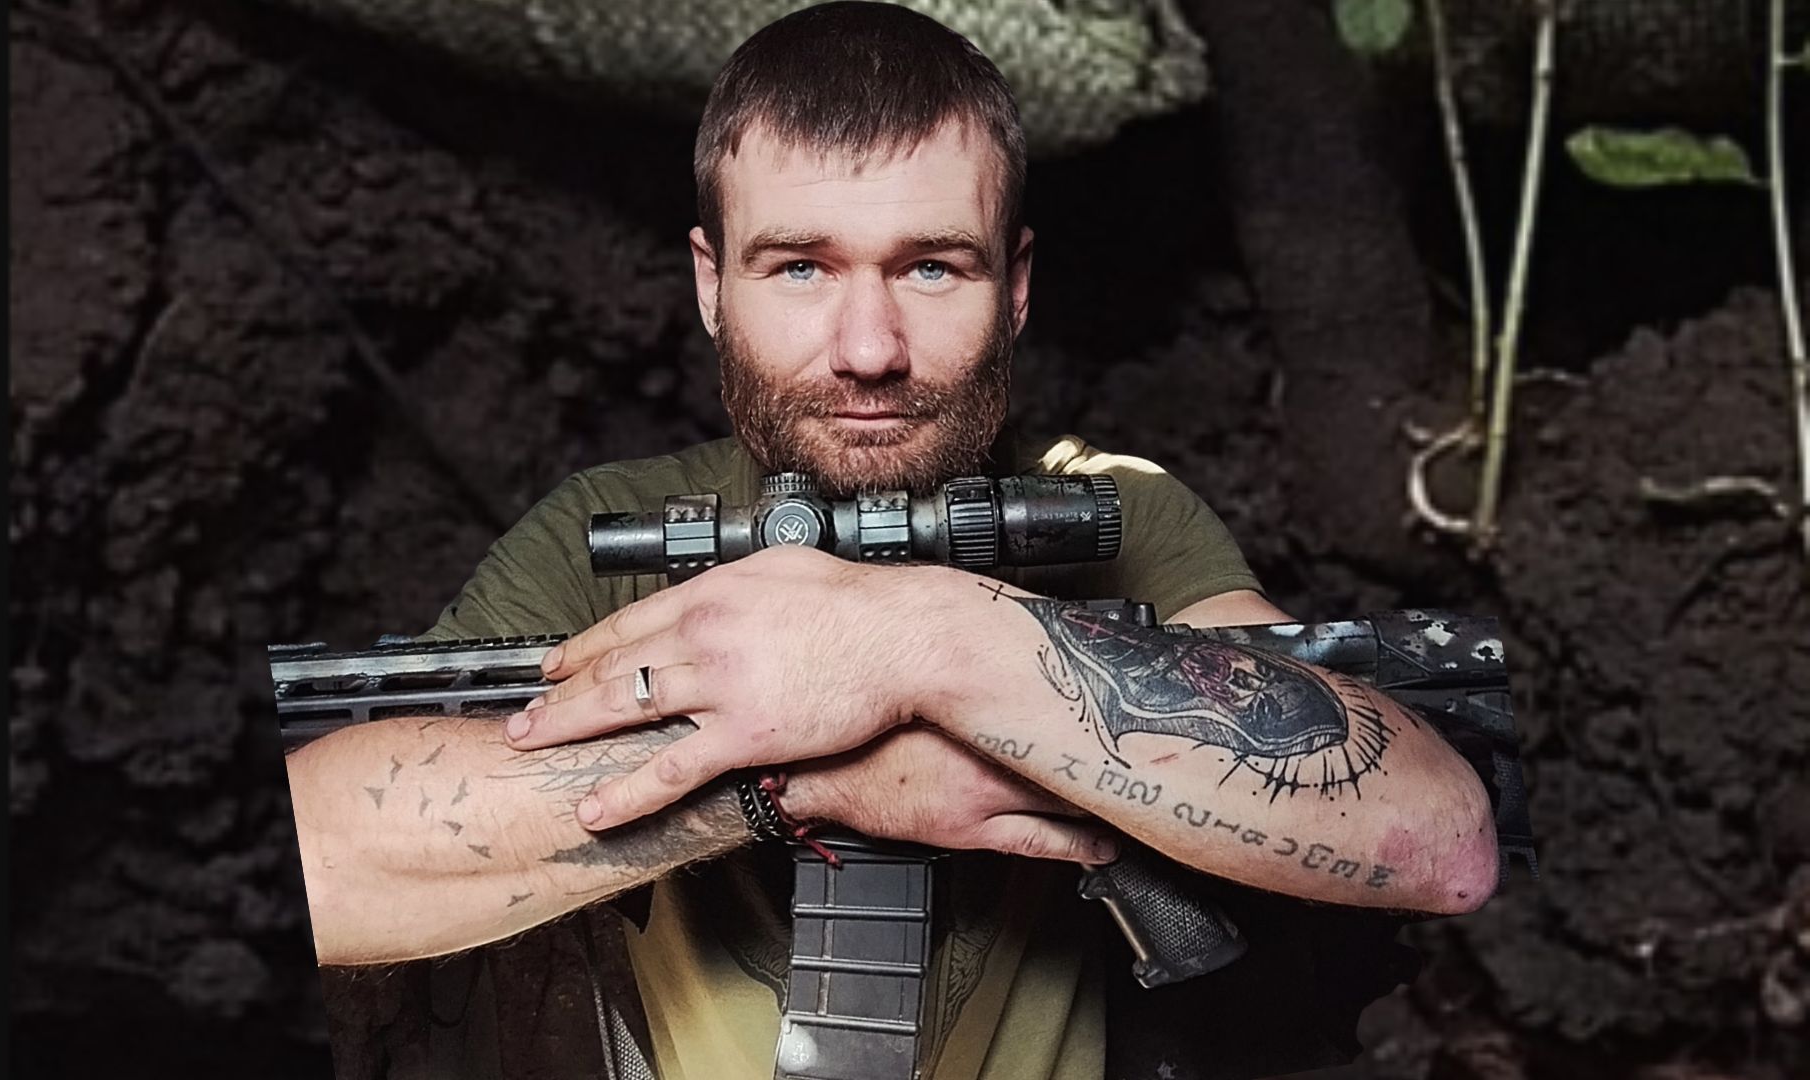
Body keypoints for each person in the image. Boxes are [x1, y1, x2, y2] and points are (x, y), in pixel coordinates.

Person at [283, 4, 1499, 1078]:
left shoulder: (1114, 513)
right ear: (711, 284)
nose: (869, 348)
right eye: (799, 268)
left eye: (930, 267)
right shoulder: (612, 532)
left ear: (1016, 286)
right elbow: (325, 862)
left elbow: (1438, 839)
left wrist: (928, 643)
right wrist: (809, 779)